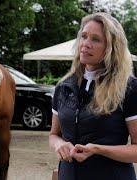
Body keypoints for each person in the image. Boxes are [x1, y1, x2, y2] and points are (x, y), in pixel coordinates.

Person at [49, 12, 137, 180]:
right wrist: (59, 145)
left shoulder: (130, 88)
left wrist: (99, 149)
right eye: (83, 37)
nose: (85, 44)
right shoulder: (63, 87)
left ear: (111, 48)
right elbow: (54, 134)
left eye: (95, 39)